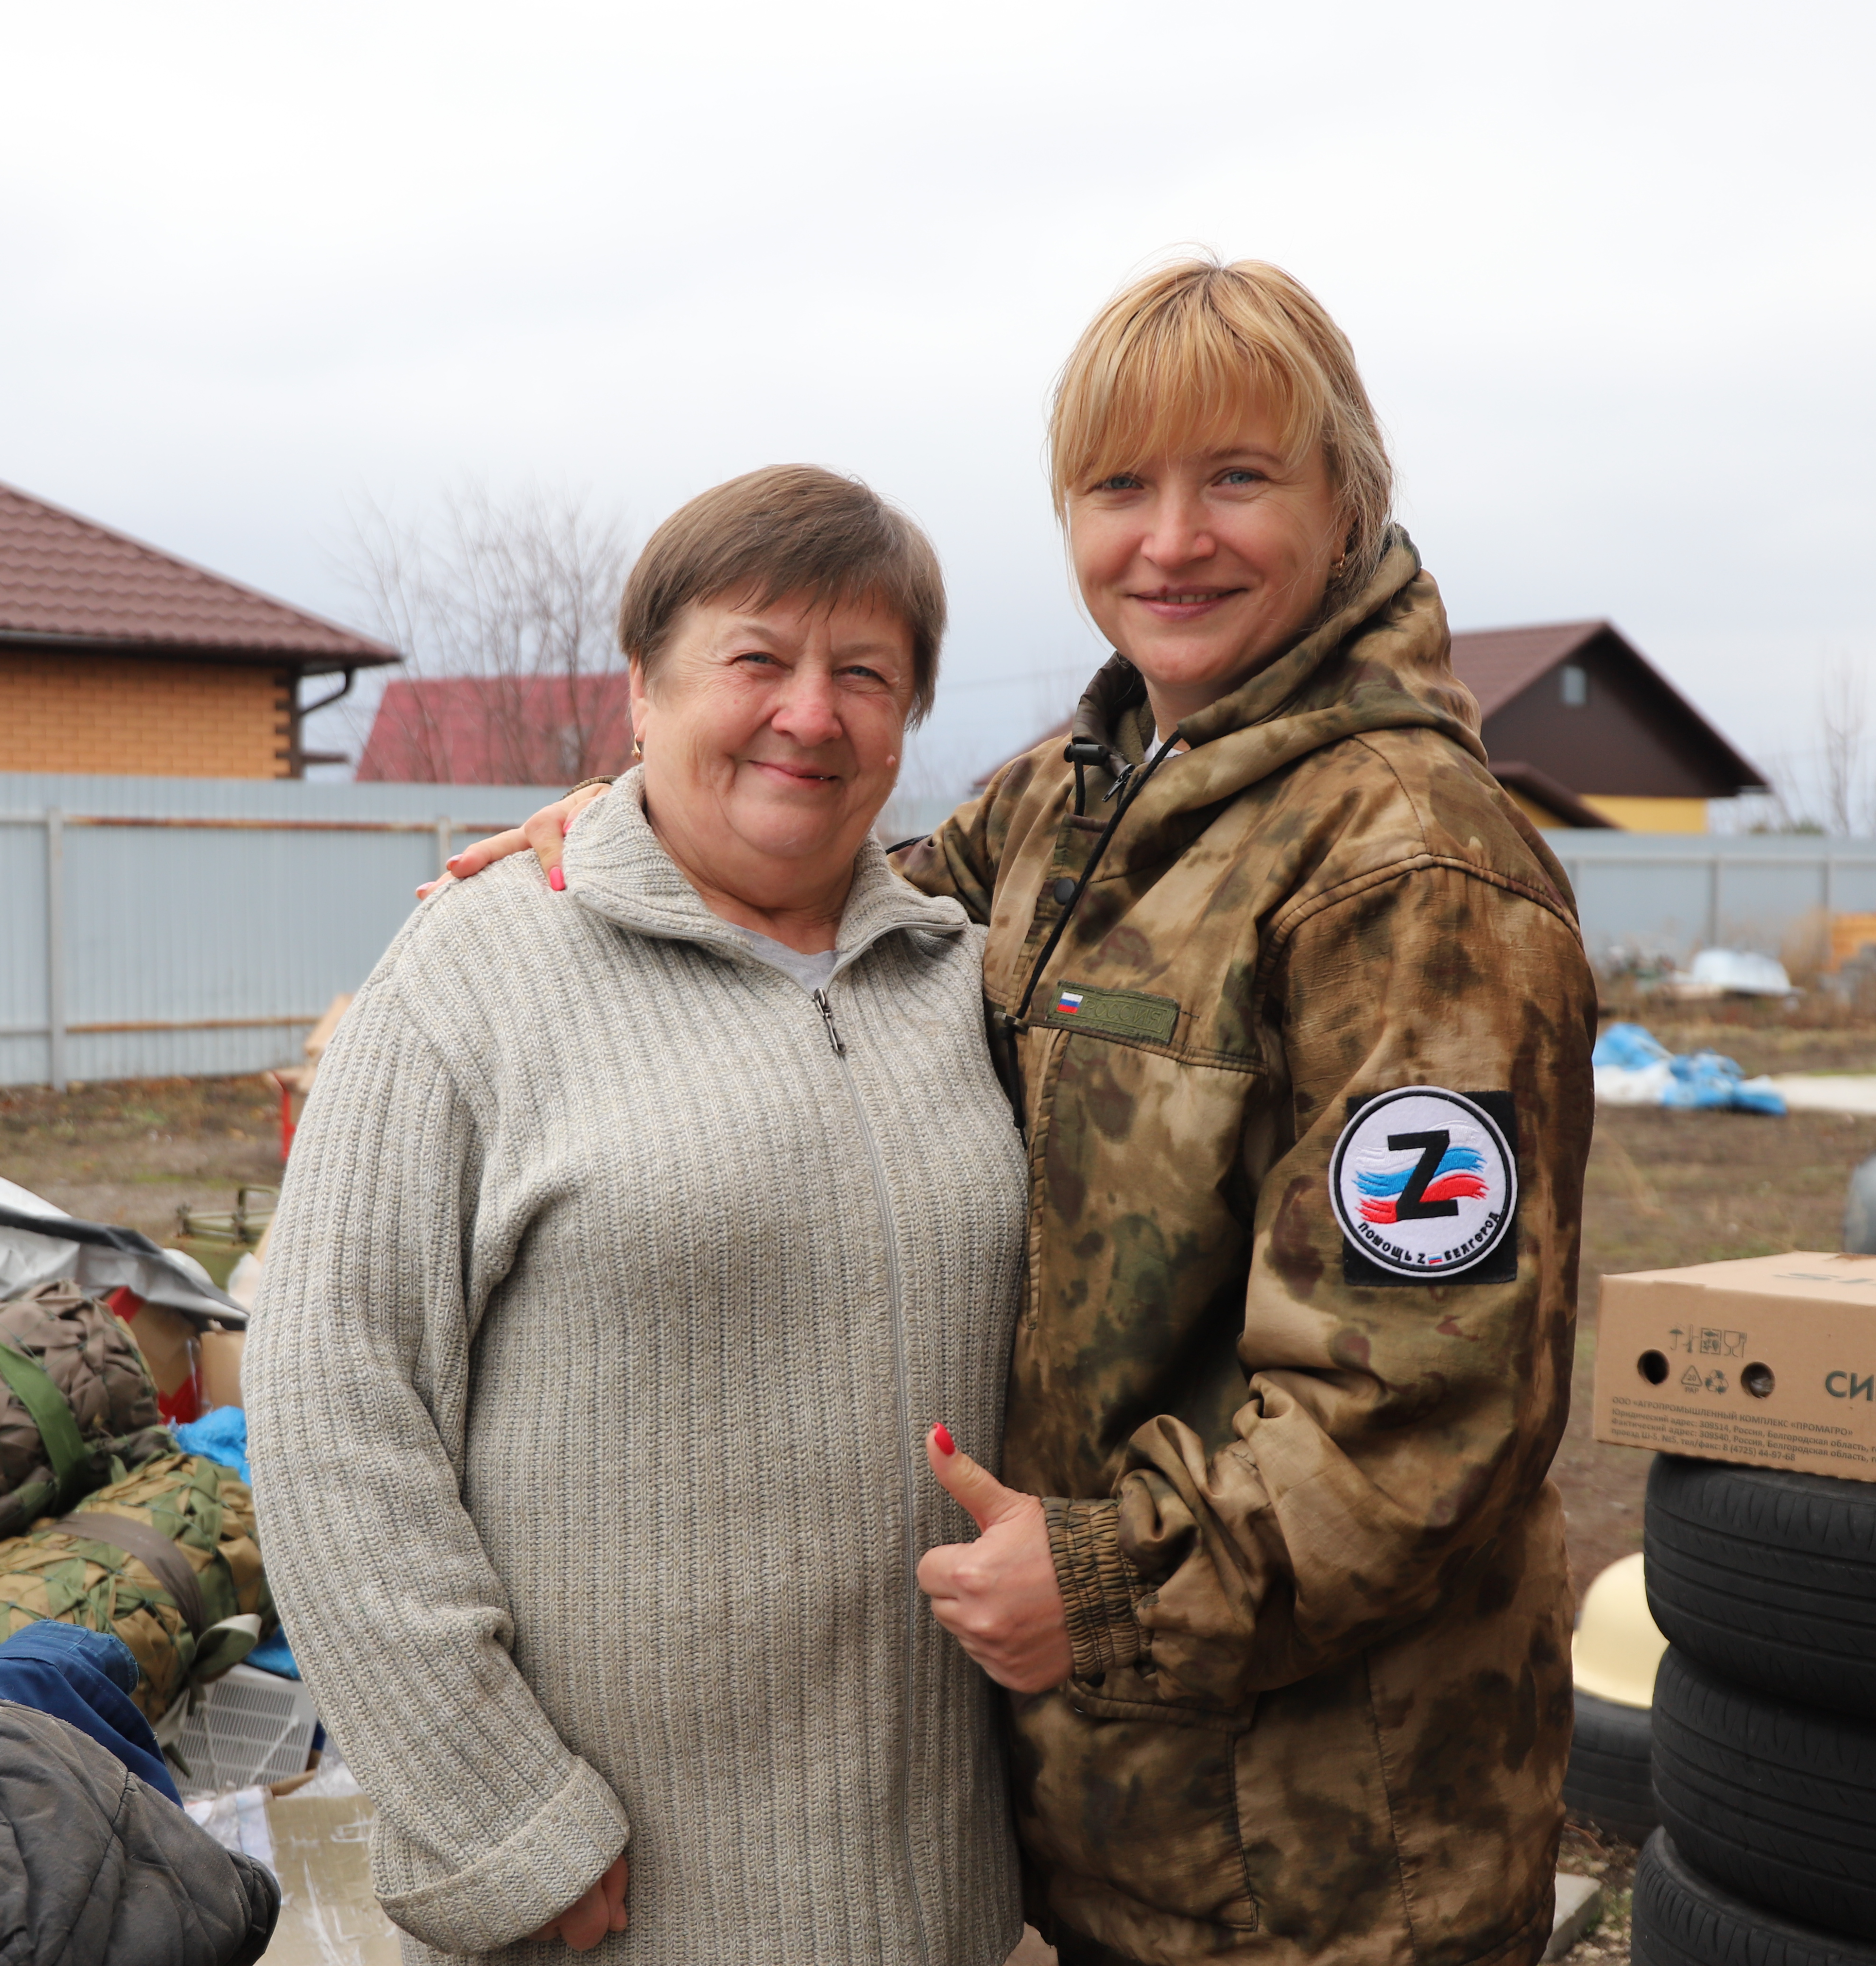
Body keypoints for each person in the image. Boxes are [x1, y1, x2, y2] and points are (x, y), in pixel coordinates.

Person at [453, 258, 1596, 1966]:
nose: (1171, 539)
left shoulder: (1410, 871)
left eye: (1238, 478)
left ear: (1348, 499)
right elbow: (836, 889)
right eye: (1118, 487)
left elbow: (1425, 1409)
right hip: (1111, 1809)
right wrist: (626, 820)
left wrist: (1115, 1582)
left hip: (1330, 1859)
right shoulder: (1074, 803)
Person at [248, 465, 1030, 1965]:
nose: (812, 713)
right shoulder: (478, 972)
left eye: (865, 674)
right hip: (614, 1910)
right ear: (644, 693)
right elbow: (331, 1407)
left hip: (933, 1899)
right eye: (757, 660)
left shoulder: (962, 977)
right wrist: (494, 1827)